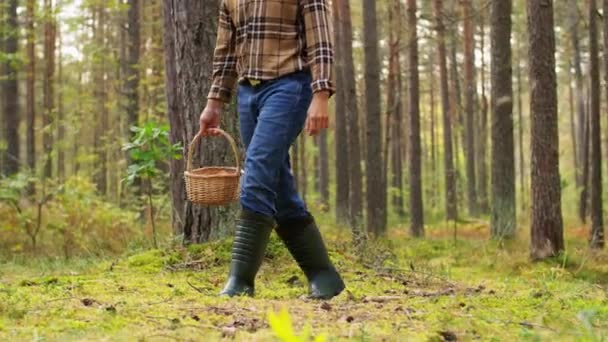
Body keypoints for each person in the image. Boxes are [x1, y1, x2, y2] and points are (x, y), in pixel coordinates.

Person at [199, 0, 345, 300]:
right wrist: (214, 104)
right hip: (247, 92)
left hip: (290, 86)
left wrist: (321, 94)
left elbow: (321, 42)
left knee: (256, 172)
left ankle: (240, 281)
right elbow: (226, 52)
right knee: (277, 186)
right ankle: (324, 277)